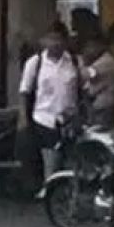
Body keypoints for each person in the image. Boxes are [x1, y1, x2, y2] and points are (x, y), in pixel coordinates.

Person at [20, 23, 80, 195]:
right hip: (44, 118)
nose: (55, 43)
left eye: (59, 39)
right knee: (50, 158)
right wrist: (24, 118)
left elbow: (82, 88)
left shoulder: (74, 62)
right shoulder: (35, 62)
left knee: (71, 159)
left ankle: (69, 193)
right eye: (51, 39)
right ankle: (50, 191)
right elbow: (25, 91)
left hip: (69, 119)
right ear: (43, 41)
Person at [80, 33, 114, 129]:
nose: (87, 50)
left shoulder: (106, 62)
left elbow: (85, 75)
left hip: (104, 106)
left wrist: (84, 61)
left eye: (90, 46)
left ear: (100, 46)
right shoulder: (103, 60)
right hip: (100, 105)